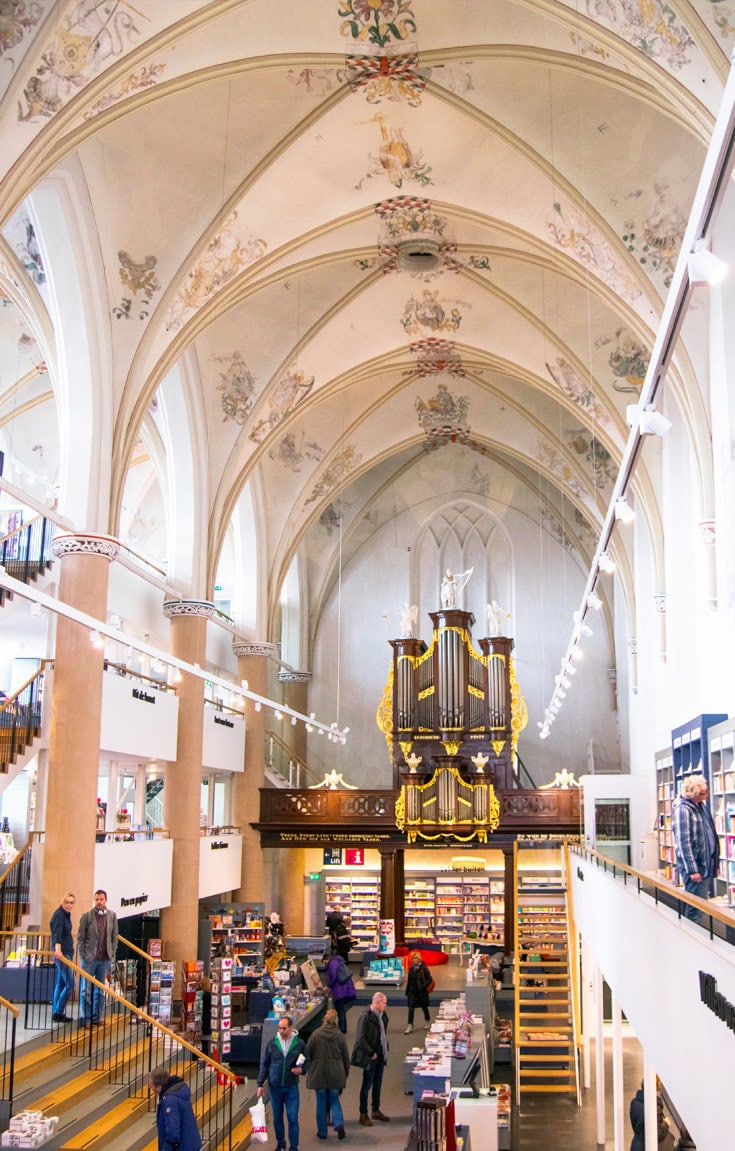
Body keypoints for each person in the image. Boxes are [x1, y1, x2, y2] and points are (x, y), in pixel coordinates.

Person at [257, 1014, 309, 1151]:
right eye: (279, 1028)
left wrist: (301, 1070)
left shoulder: (299, 1044)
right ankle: (280, 1144)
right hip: (274, 1087)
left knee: (292, 1117)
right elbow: (265, 1064)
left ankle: (293, 1147)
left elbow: (307, 1061)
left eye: (284, 1028)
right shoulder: (272, 1044)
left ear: (291, 1028)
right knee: (277, 1118)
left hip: (291, 1087)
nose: (281, 1031)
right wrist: (260, 1084)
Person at [672, 774, 719, 923]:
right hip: (696, 865)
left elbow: (709, 832)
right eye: (705, 792)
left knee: (701, 903)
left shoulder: (700, 806)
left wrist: (715, 862)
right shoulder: (683, 810)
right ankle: (691, 937)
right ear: (696, 794)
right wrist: (692, 870)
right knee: (695, 906)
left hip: (705, 862)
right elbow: (684, 842)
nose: (708, 794)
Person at [305, 1007, 349, 1141]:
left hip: (319, 1074)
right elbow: (346, 1058)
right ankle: (339, 1124)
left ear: (324, 1019)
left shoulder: (316, 1035)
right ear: (336, 1020)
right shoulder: (340, 1036)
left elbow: (308, 1054)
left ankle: (322, 1132)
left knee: (321, 1102)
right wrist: (345, 1074)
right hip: (336, 1073)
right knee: (335, 1100)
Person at [77, 888, 118, 1026]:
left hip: (104, 958)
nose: (99, 902)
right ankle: (87, 1018)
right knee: (85, 990)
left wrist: (111, 953)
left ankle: (97, 1017)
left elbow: (114, 937)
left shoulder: (112, 916)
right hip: (89, 959)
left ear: (106, 900)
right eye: (96, 899)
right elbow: (80, 938)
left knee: (100, 990)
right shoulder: (87, 916)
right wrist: (83, 955)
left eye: (101, 899)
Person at [351, 991, 390, 1127]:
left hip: (380, 1056)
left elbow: (383, 1035)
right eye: (384, 1003)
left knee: (377, 1084)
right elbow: (360, 1039)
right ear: (377, 1002)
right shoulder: (365, 1017)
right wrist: (371, 1052)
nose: (386, 1005)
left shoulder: (383, 1017)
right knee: (366, 1086)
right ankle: (363, 1113)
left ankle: (375, 1110)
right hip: (370, 1057)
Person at [149, 1065, 202, 1151]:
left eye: (151, 1086)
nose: (150, 1087)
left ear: (159, 1088)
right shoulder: (178, 1092)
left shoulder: (170, 1101)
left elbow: (173, 1132)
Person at [50, 891, 75, 1023]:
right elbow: (56, 934)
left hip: (67, 952)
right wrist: (58, 949)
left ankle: (56, 1011)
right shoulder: (59, 915)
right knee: (71, 983)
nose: (68, 905)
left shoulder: (66, 915)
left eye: (71, 902)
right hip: (62, 953)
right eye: (66, 902)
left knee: (61, 983)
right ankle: (58, 1011)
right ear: (62, 901)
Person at [323, 951, 356, 1034]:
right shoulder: (338, 961)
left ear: (326, 959)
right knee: (342, 1010)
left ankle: (341, 1029)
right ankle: (343, 1028)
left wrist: (328, 986)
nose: (325, 965)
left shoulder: (332, 963)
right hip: (345, 988)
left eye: (324, 962)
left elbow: (334, 976)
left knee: (340, 1010)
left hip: (340, 990)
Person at [403, 950, 432, 1033]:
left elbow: (429, 979)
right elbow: (409, 981)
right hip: (412, 992)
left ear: (419, 959)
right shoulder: (411, 968)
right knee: (411, 1008)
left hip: (421, 992)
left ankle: (427, 1019)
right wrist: (407, 992)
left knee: (424, 1007)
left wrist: (423, 987)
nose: (414, 960)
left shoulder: (424, 968)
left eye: (415, 958)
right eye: (413, 958)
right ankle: (410, 1025)